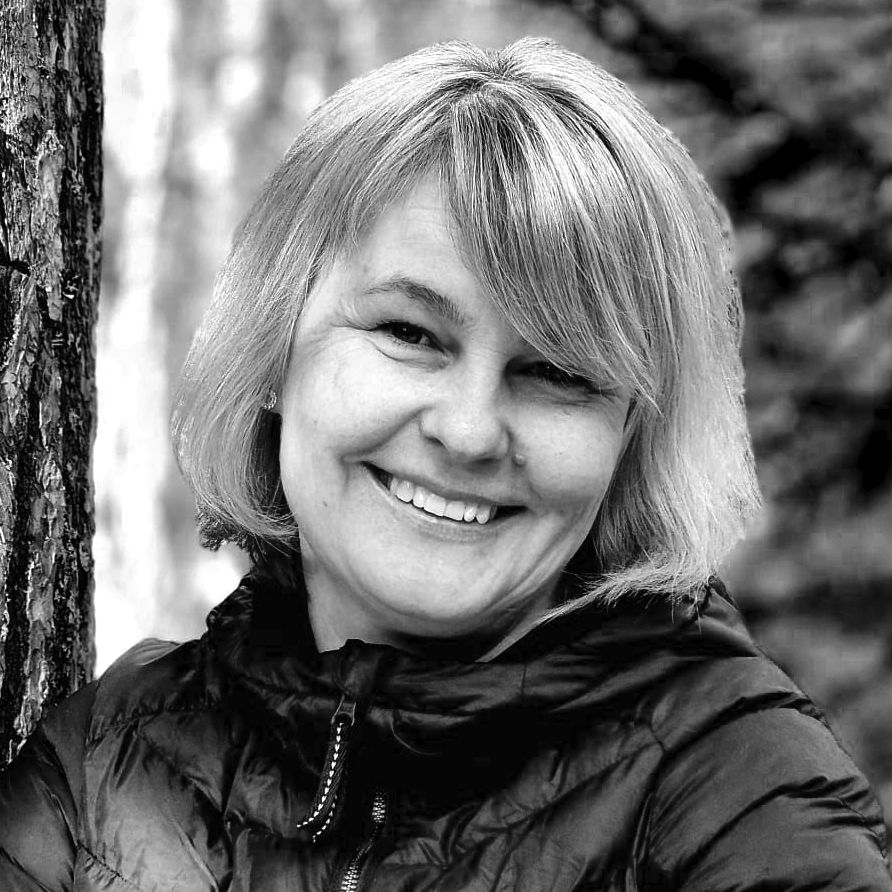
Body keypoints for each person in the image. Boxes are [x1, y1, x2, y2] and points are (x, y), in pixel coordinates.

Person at [1, 37, 889, 891]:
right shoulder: (108, 762)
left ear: (632, 436)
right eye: (410, 332)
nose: (468, 432)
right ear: (274, 345)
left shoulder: (742, 789)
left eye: (558, 373)